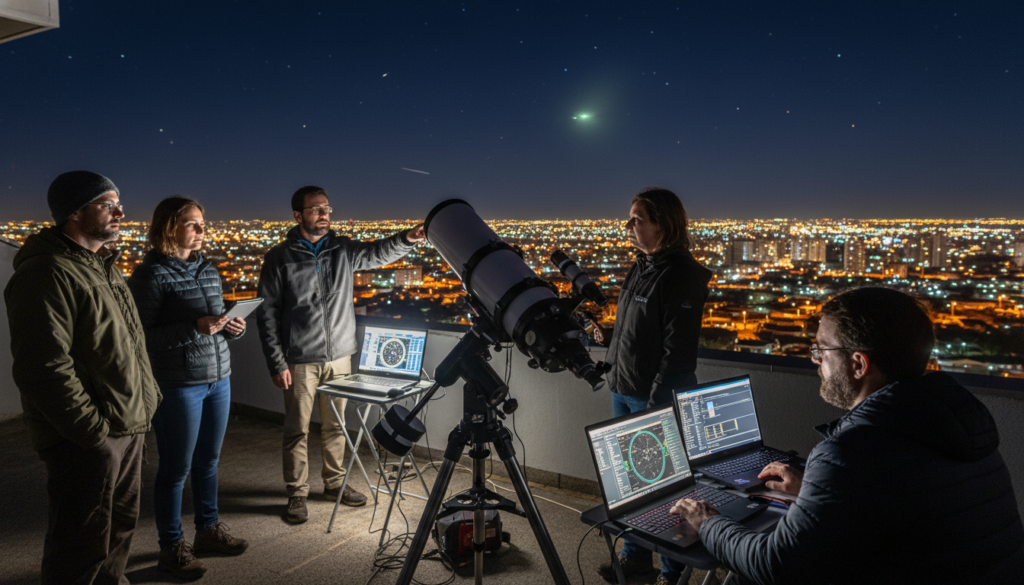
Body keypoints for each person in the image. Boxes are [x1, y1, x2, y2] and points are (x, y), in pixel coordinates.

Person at [670, 287, 1024, 584]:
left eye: (822, 350)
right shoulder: (957, 423)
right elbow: (895, 501)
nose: (816, 360)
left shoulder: (853, 451)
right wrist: (816, 487)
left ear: (858, 364)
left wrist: (709, 522)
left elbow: (777, 566)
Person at [4, 171, 162, 585]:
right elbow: (43, 366)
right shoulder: (48, 272)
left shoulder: (101, 267)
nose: (121, 212)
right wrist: (92, 433)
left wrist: (147, 400)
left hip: (126, 423)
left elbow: (124, 345)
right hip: (91, 436)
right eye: (107, 204)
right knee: (80, 543)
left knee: (117, 533)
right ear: (74, 212)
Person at [257, 185, 425, 523]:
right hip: (299, 359)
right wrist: (277, 362)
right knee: (297, 429)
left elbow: (378, 253)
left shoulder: (342, 248)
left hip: (339, 357)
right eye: (316, 209)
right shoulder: (280, 257)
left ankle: (334, 484)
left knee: (336, 426)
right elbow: (267, 314)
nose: (324, 215)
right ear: (298, 215)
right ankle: (296, 493)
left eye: (327, 209)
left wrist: (408, 238)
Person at [594, 187, 713, 585]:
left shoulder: (682, 274)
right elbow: (639, 331)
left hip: (653, 397)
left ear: (663, 224)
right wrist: (608, 335)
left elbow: (677, 353)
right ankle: (635, 559)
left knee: (666, 490)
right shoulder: (642, 265)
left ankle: (672, 571)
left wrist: (656, 407)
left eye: (637, 219)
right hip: (623, 388)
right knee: (631, 486)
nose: (628, 226)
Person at [128, 196, 249, 579]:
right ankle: (171, 547)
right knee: (176, 468)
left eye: (202, 223)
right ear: (169, 227)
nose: (201, 230)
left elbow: (211, 325)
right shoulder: (150, 276)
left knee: (208, 462)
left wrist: (231, 328)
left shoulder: (209, 270)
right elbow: (140, 338)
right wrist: (193, 328)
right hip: (179, 385)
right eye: (193, 224)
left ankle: (208, 532)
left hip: (218, 378)